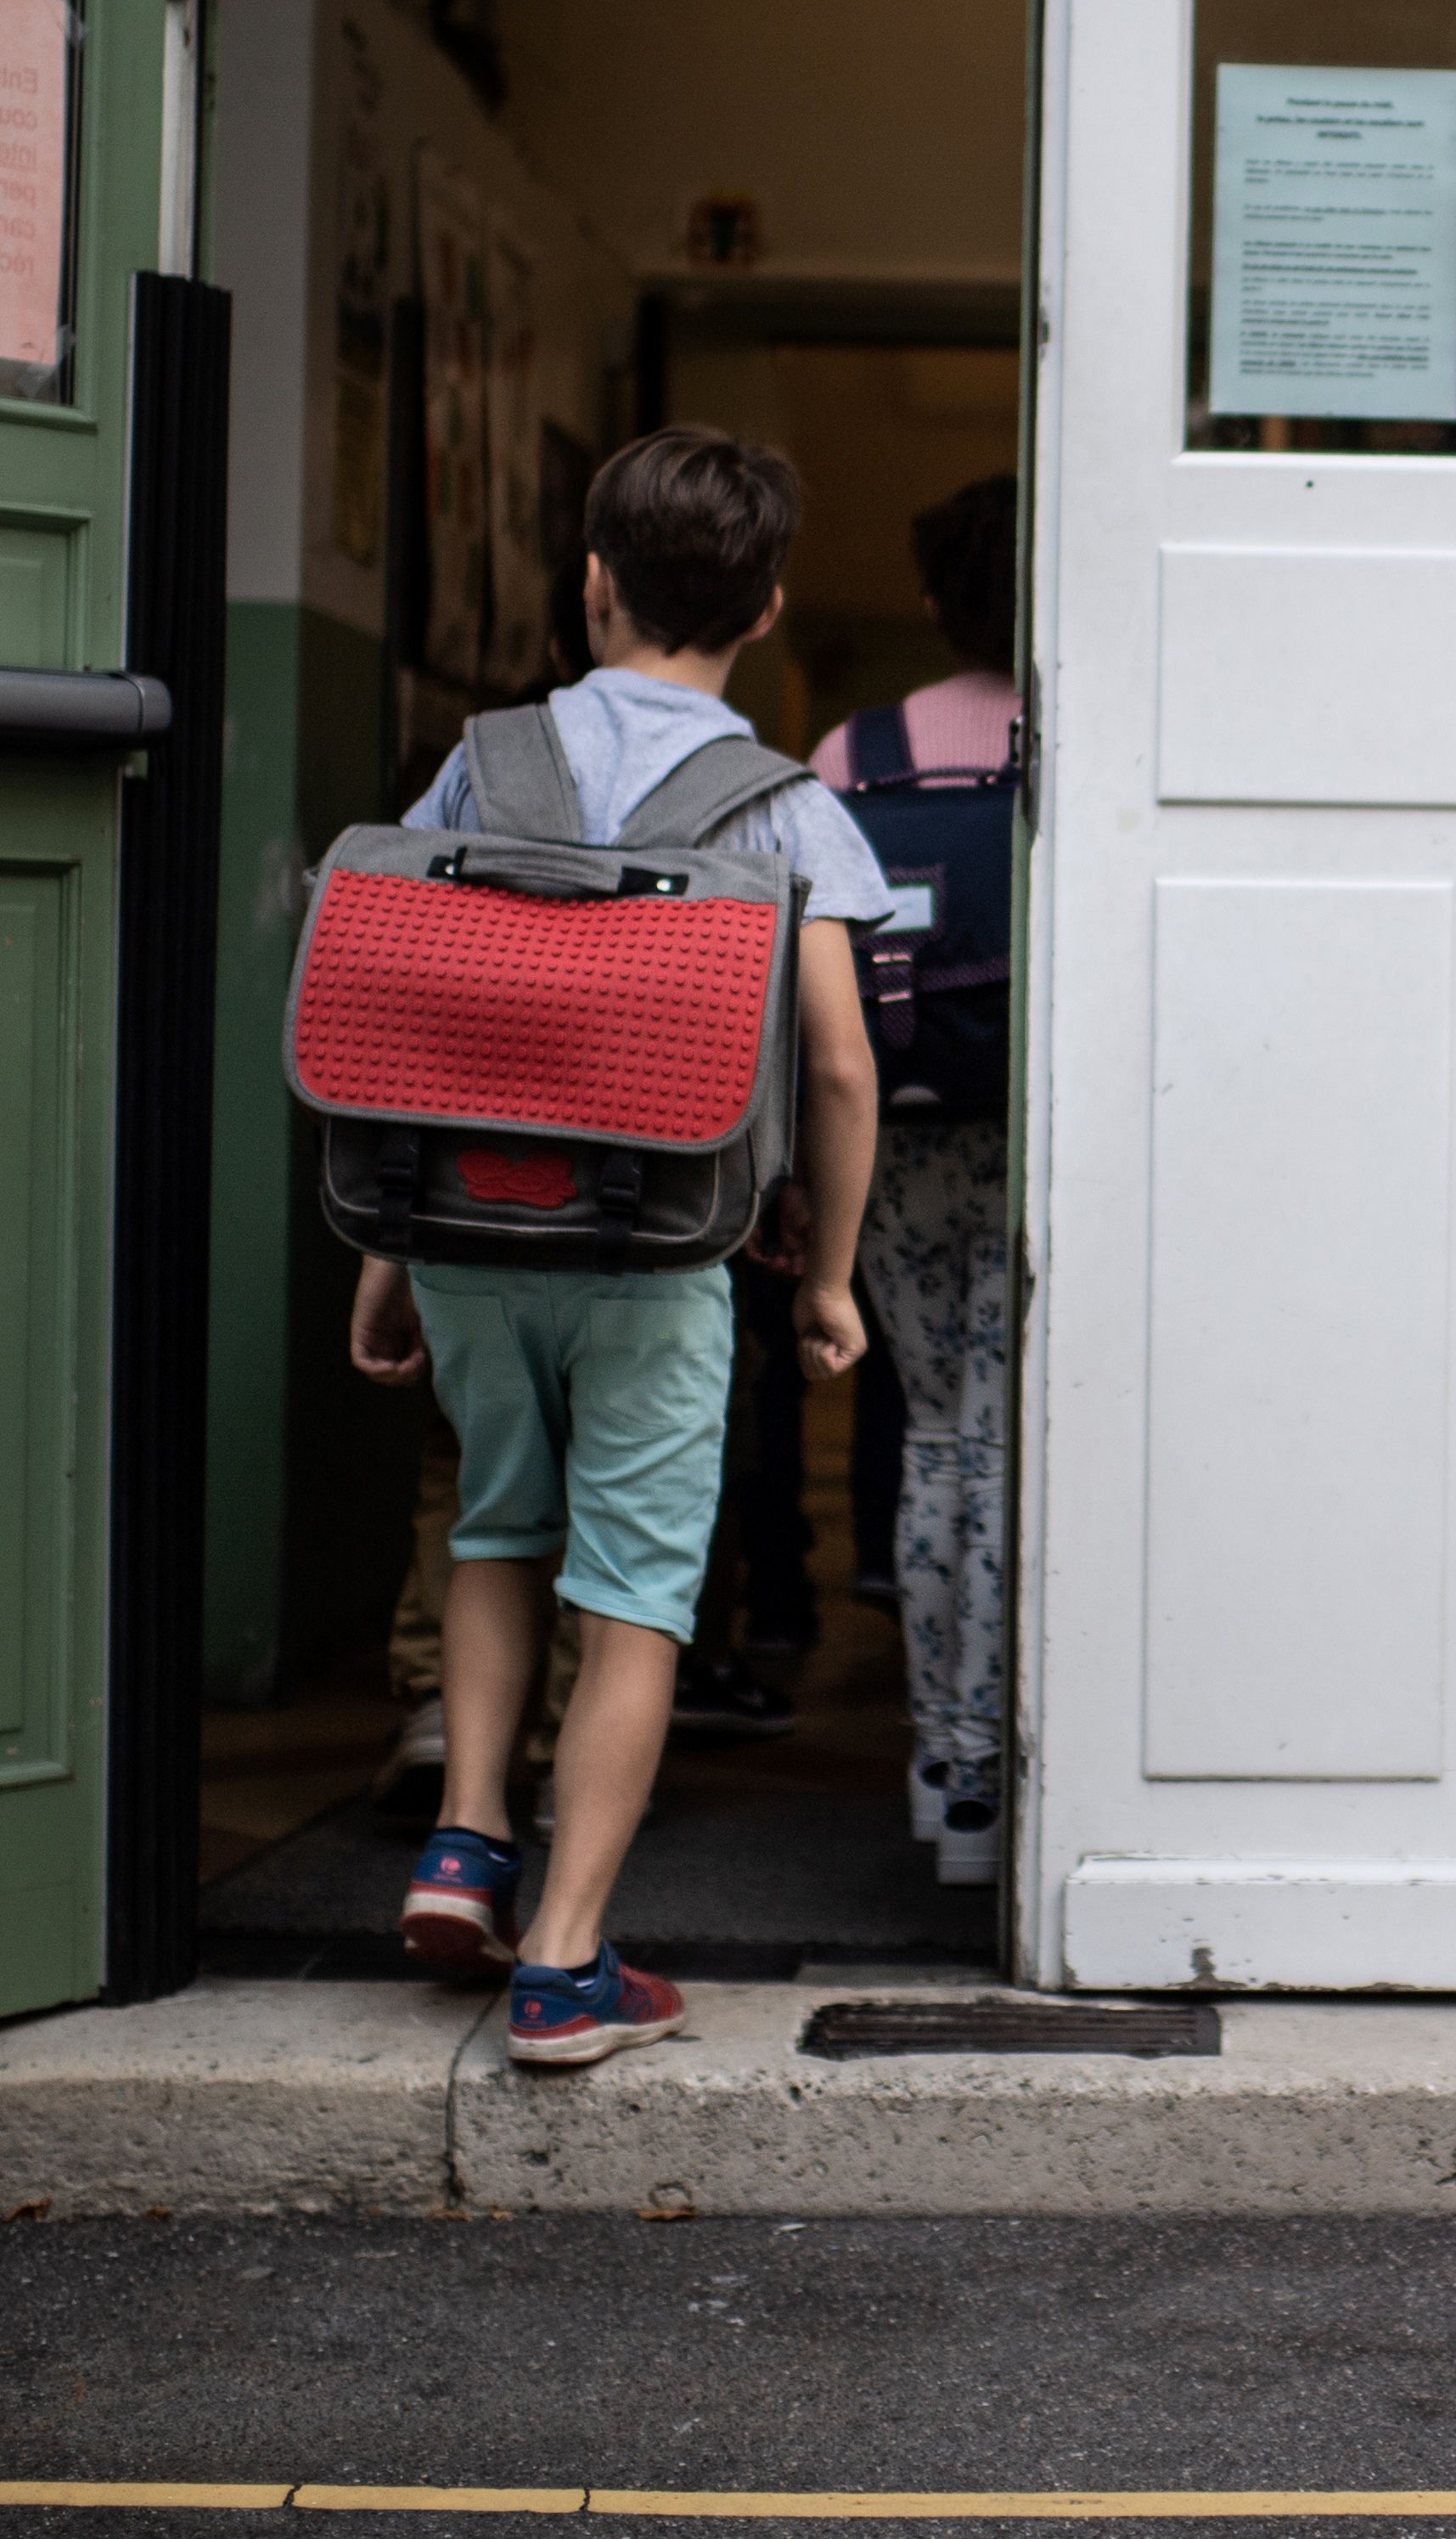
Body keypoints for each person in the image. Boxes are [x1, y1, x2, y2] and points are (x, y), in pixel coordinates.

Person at [345, 427, 888, 2064]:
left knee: (498, 1528)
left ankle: (464, 1838)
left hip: (467, 1233)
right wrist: (837, 1275)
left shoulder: (480, 760)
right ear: (772, 609)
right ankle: (569, 1963)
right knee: (638, 1593)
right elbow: (844, 1063)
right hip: (656, 1256)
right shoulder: (782, 808)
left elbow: (407, 1013)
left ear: (589, 583)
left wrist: (386, 1246)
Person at [814, 474, 1019, 1888]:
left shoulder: (852, 752)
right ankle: (1014, 1779)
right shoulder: (1078, 735)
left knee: (935, 1431)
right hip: (1035, 1136)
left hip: (891, 1138)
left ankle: (941, 1771)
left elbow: (802, 979)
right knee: (1019, 1439)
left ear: (938, 598)